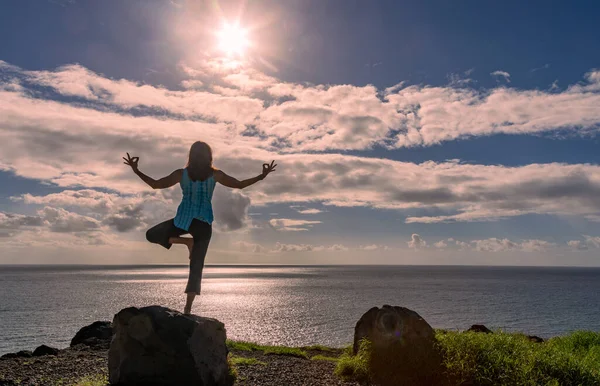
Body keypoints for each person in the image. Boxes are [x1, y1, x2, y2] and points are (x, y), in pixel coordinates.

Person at [123, 141, 276, 314]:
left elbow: (156, 184)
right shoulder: (215, 175)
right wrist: (261, 176)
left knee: (152, 235)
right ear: (209, 156)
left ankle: (184, 243)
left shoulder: (181, 174)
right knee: (196, 267)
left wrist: (136, 171)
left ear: (191, 155)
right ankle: (187, 308)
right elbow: (239, 184)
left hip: (182, 220)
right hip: (203, 224)